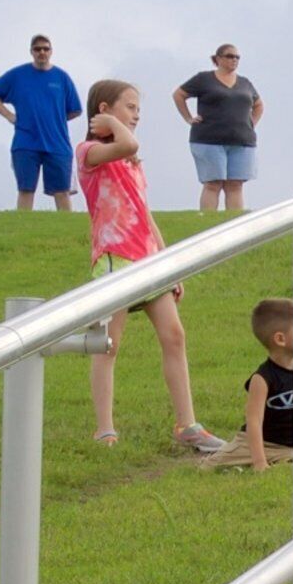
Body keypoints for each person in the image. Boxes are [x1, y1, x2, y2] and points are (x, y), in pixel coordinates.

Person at [78, 81, 222, 452]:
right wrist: (111, 122)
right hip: (114, 260)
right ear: (106, 109)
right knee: (108, 345)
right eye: (130, 107)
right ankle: (104, 429)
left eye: (138, 109)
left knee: (175, 336)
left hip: (147, 261)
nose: (137, 115)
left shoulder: (130, 162)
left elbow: (145, 213)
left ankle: (187, 424)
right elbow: (128, 143)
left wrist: (168, 263)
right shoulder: (89, 151)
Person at [219, 297, 293, 469]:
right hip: (261, 443)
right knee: (209, 466)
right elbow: (254, 421)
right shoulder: (261, 379)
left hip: (291, 447)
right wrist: (260, 463)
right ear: (280, 339)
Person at [0, 34, 83, 212]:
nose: (42, 52)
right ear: (31, 52)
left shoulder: (62, 78)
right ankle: (22, 230)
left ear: (51, 51)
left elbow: (75, 109)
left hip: (57, 144)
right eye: (37, 49)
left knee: (62, 191)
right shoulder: (17, 75)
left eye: (46, 48)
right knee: (26, 190)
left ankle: (66, 231)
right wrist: (8, 115)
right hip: (26, 142)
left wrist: (54, 119)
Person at [174, 44, 265, 212]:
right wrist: (188, 117)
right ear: (218, 59)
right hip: (209, 139)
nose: (234, 60)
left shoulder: (245, 83)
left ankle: (234, 224)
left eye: (237, 57)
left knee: (235, 184)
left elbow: (259, 104)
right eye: (230, 56)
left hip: (242, 141)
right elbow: (179, 94)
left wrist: (251, 124)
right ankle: (208, 222)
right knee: (213, 183)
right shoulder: (204, 79)